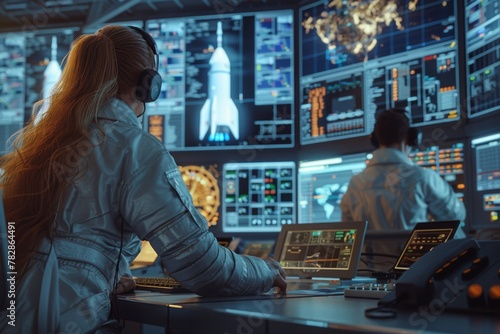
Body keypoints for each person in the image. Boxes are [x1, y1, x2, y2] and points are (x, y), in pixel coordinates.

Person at [0, 25, 286, 333]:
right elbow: (203, 267)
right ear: (148, 84)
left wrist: (102, 275)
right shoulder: (134, 149)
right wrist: (264, 271)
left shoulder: (36, 148)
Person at [340, 108, 466, 233]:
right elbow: (455, 217)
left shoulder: (355, 184)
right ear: (410, 138)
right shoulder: (423, 178)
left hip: (372, 254)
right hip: (416, 253)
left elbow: (348, 232)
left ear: (375, 140)